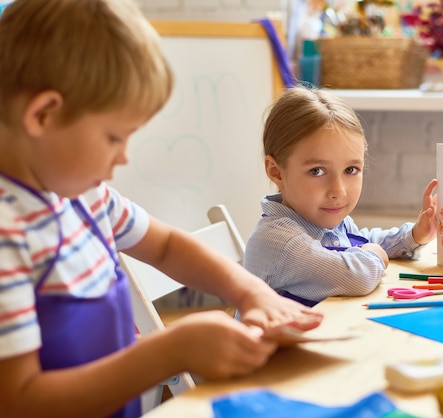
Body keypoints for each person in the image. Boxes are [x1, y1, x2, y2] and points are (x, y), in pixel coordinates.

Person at [0, 1, 323, 417]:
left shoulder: (85, 197)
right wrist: (169, 352)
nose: (123, 159)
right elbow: (19, 400)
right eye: (115, 137)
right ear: (43, 115)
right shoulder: (8, 236)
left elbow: (168, 246)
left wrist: (253, 293)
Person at [244, 86, 438, 307]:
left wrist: (414, 235)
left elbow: (366, 242)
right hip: (282, 342)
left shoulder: (324, 221)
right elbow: (356, 276)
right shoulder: (278, 240)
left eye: (350, 170)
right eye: (317, 171)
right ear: (276, 171)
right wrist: (376, 255)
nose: (339, 191)